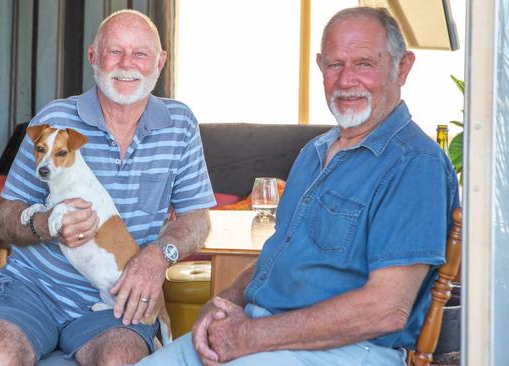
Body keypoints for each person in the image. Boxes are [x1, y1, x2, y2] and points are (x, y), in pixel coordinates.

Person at [138, 6, 459, 366]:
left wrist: (250, 336)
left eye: (364, 64)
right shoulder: (315, 151)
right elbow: (280, 253)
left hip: (346, 350)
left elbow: (387, 310)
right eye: (335, 64)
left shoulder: (416, 164)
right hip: (263, 331)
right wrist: (224, 303)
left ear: (402, 67)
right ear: (321, 68)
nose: (347, 79)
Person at [0, 9, 216, 365]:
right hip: (33, 288)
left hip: (116, 296)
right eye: (114, 51)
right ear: (93, 56)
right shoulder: (55, 120)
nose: (126, 64)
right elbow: (3, 219)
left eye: (140, 54)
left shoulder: (180, 125)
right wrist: (45, 223)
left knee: (119, 360)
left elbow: (197, 219)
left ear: (160, 62)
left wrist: (156, 257)